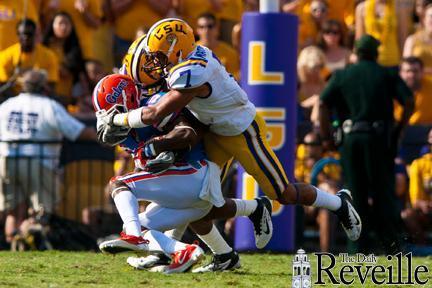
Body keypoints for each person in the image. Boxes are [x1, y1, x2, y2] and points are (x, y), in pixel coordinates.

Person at [100, 18, 362, 248]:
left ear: (177, 49)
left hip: (241, 131)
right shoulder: (187, 59)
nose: (155, 62)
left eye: (158, 55)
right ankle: (191, 251)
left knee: (284, 193)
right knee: (201, 200)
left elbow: (156, 113)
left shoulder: (191, 71)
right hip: (215, 130)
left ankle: (339, 203)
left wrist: (118, 119)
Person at [93, 74, 273, 272]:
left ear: (128, 100)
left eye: (112, 113)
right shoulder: (126, 133)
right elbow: (143, 167)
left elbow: (187, 132)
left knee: (119, 183)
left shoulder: (155, 104)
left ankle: (135, 239)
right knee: (140, 224)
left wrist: (157, 147)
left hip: (195, 174)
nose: (109, 120)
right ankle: (184, 251)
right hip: (189, 192)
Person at [319, 35, 414, 253]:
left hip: (351, 139)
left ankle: (356, 249)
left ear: (356, 53)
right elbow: (408, 101)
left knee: (355, 194)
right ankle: (393, 247)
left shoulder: (342, 75)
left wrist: (327, 136)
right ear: (376, 53)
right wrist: (399, 129)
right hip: (379, 138)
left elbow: (323, 102)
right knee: (383, 193)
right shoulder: (386, 74)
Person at [0, 69, 96, 244]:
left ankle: (13, 244)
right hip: (40, 161)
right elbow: (77, 131)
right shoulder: (49, 106)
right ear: (44, 87)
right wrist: (103, 136)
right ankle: (28, 241)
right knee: (41, 212)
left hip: (6, 160)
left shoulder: (7, 105)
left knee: (13, 211)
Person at [0, 19, 59, 98]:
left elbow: (51, 84)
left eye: (29, 34)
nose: (25, 37)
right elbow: (3, 83)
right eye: (22, 34)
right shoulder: (5, 56)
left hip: (39, 97)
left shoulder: (48, 56)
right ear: (17, 35)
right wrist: (19, 100)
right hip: (12, 98)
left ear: (35, 34)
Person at [42, 12, 85, 104]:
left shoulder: (75, 48)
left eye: (67, 23)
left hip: (66, 97)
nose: (63, 27)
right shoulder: (44, 47)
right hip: (45, 95)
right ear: (52, 25)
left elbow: (65, 72)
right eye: (60, 23)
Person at [355, 0, 410, 68]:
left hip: (392, 62)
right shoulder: (361, 8)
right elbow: (359, 39)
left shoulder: (399, 7)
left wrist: (403, 61)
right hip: (369, 62)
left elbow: (402, 37)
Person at [402, 128, 432, 244]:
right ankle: (422, 247)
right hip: (426, 212)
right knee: (407, 215)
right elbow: (416, 200)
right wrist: (424, 204)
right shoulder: (418, 165)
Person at [196, 13, 240, 79]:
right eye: (201, 27)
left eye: (210, 26)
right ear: (197, 30)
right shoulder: (190, 51)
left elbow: (235, 78)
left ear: (217, 28)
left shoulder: (230, 52)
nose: (206, 30)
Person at [297, 46, 328, 126]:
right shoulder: (296, 83)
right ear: (304, 66)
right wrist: (311, 102)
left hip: (318, 123)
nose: (317, 70)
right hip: (299, 121)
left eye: (320, 67)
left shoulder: (322, 83)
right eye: (314, 67)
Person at [396, 57, 432, 125]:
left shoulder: (430, 86)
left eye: (415, 71)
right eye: (407, 71)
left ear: (422, 72)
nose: (411, 75)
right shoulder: (392, 89)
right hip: (398, 129)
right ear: (400, 73)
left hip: (426, 128)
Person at [403, 4, 432, 75]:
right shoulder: (412, 40)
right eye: (431, 16)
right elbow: (406, 68)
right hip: (418, 85)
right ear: (424, 19)